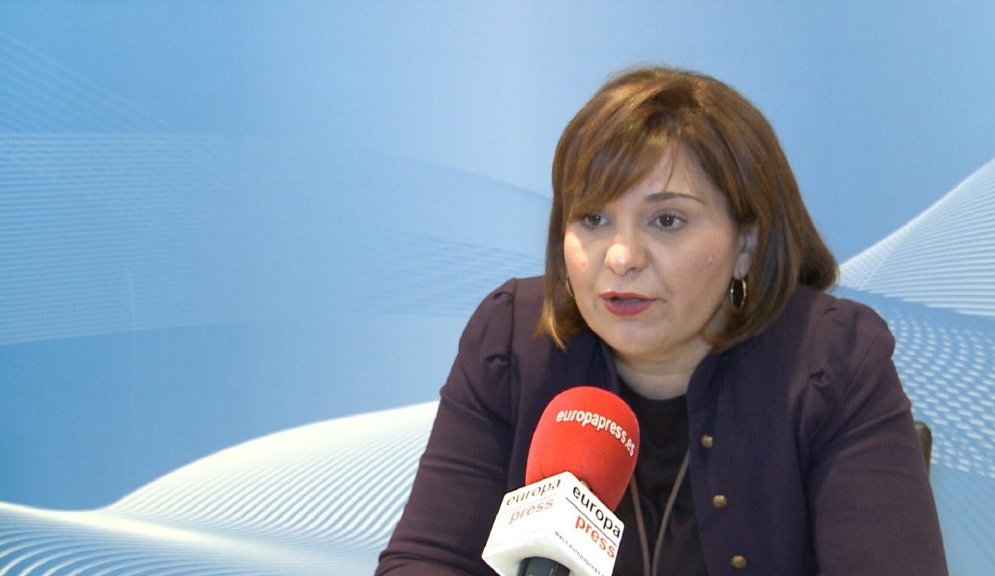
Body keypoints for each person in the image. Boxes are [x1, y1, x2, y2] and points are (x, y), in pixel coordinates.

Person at [375, 66, 947, 575]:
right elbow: (427, 559)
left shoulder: (831, 361)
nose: (621, 257)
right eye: (593, 219)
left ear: (746, 245)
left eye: (667, 221)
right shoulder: (513, 342)